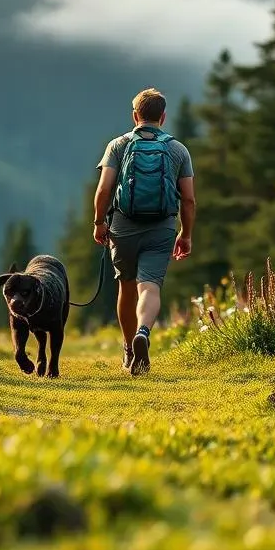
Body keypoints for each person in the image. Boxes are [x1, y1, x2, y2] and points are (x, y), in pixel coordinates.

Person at [93, 87, 195, 376]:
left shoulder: (118, 145)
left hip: (123, 225)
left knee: (126, 285)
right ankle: (143, 332)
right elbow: (188, 199)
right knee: (149, 285)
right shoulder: (177, 149)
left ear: (135, 115)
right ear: (163, 117)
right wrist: (185, 234)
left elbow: (104, 189)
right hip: (162, 226)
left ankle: (129, 349)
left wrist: (99, 222)